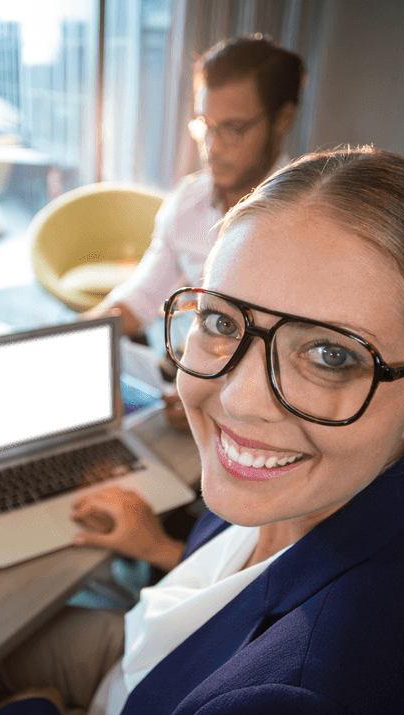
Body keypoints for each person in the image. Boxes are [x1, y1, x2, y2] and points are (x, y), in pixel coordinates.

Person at [0, 147, 404, 715]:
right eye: (221, 322)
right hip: (152, 655)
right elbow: (251, 592)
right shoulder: (321, 488)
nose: (237, 399)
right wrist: (157, 547)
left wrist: (30, 711)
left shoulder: (292, 699)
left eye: (331, 355)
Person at [89, 35, 305, 431]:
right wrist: (72, 340)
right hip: (178, 379)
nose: (212, 147)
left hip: (254, 411)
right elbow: (142, 298)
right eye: (204, 125)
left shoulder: (306, 223)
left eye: (233, 129)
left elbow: (296, 362)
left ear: (283, 120)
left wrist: (214, 405)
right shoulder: (188, 200)